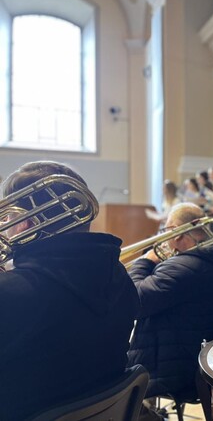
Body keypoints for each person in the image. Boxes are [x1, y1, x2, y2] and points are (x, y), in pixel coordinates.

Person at [0, 161, 139, 420]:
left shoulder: (11, 295)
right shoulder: (120, 278)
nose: (5, 224)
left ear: (25, 223)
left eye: (8, 216)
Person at [127, 202, 213, 400]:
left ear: (176, 233)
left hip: (173, 370)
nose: (164, 238)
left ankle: (145, 413)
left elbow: (134, 302)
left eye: (167, 230)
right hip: (193, 359)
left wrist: (145, 261)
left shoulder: (184, 267)